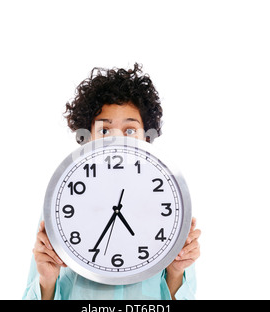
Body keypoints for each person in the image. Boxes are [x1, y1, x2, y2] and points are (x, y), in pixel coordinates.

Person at [23, 63, 201, 300]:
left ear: (146, 138)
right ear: (88, 138)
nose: (117, 139)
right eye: (105, 130)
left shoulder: (168, 201)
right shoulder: (62, 200)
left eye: (129, 130)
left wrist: (176, 272)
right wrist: (46, 280)